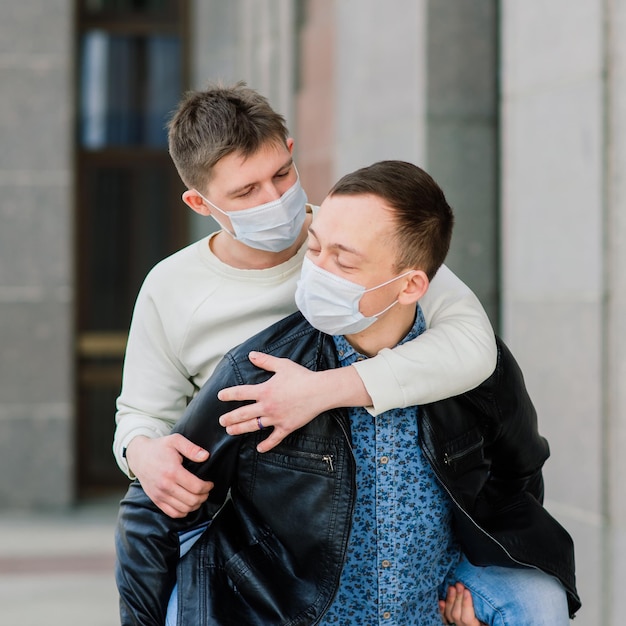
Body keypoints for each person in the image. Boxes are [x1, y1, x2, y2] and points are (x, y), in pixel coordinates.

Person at [115, 160, 580, 625]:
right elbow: (150, 514)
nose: (316, 270)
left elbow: (518, 474)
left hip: (429, 599)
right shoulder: (259, 370)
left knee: (539, 602)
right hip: (288, 608)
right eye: (313, 248)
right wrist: (142, 450)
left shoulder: (468, 366)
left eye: (344, 259)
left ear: (410, 285)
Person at [113, 82, 497, 519]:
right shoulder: (169, 287)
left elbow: (472, 346)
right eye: (246, 192)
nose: (275, 200)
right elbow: (141, 415)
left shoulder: (360, 244)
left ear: (292, 149)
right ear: (198, 202)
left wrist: (321, 392)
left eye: (282, 173)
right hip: (256, 539)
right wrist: (143, 454)